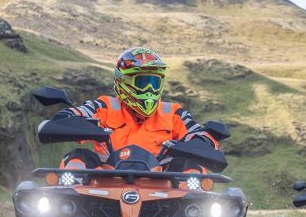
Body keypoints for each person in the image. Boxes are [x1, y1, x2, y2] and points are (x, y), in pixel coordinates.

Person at [54, 47, 217, 169]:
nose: (149, 90)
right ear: (124, 81)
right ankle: (67, 208)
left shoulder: (172, 112)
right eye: (142, 82)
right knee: (77, 158)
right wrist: (71, 120)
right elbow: (76, 114)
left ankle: (193, 210)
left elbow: (198, 132)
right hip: (104, 182)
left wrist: (200, 140)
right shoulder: (105, 106)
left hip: (163, 186)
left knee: (191, 165)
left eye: (154, 83)